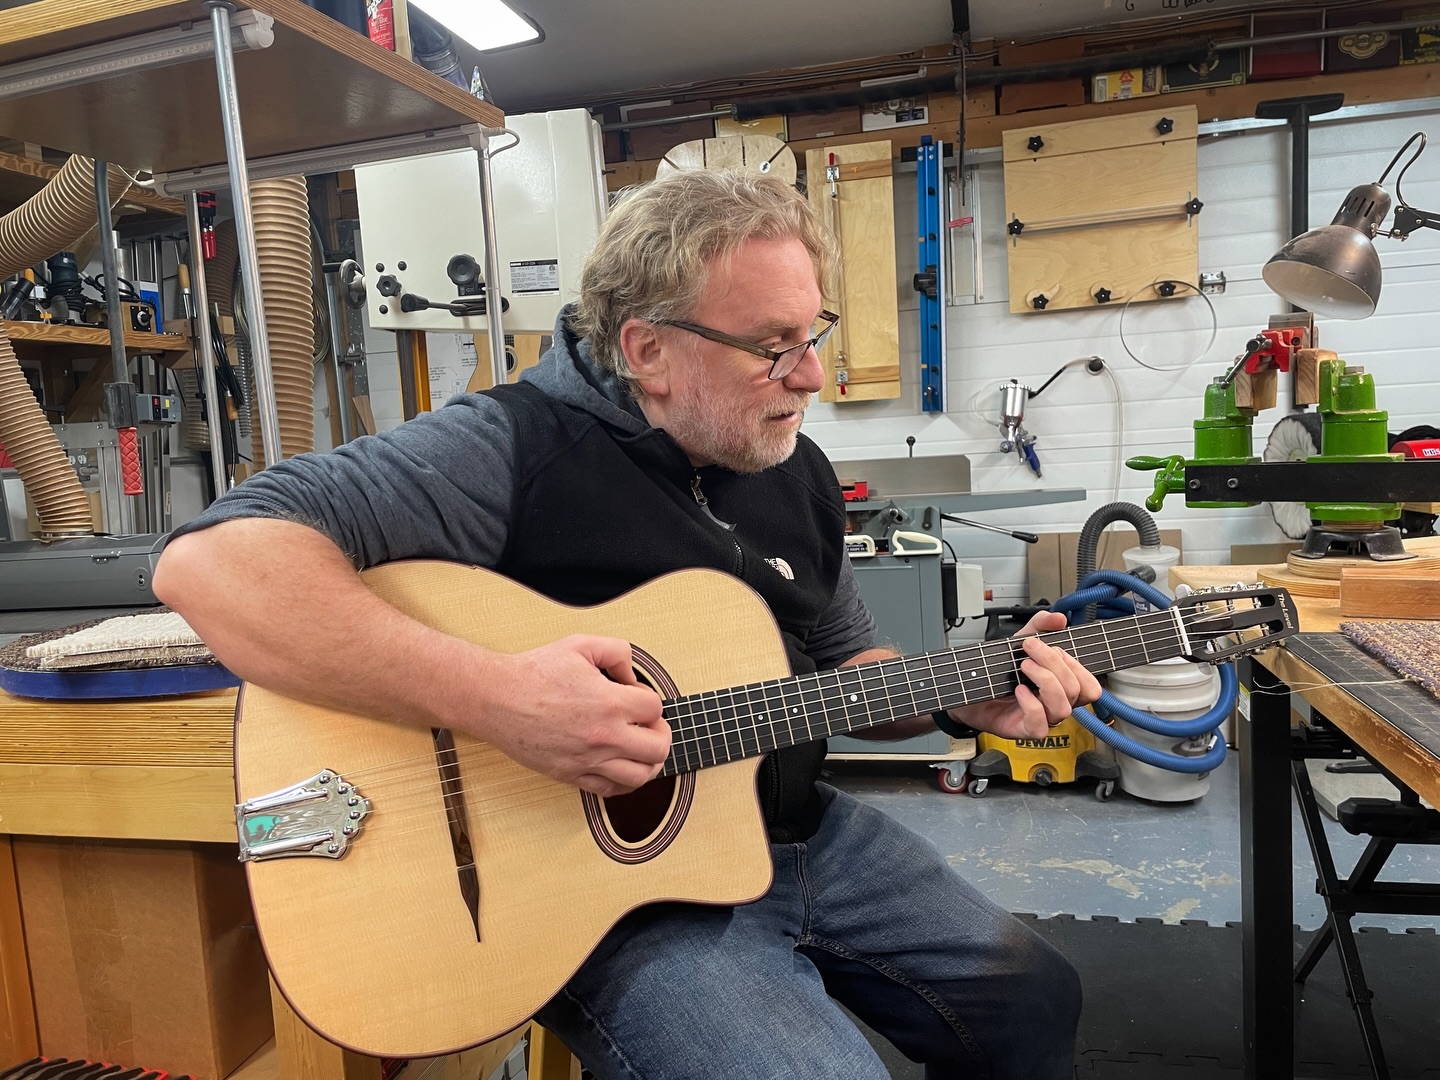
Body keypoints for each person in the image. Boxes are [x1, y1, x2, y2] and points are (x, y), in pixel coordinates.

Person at [155, 169, 1101, 1079]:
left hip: (804, 833)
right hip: (613, 894)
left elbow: (853, 664)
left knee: (1035, 1001)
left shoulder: (793, 470)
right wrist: (502, 700)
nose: (813, 374)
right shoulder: (506, 449)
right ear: (648, 349)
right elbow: (213, 564)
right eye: (775, 344)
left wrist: (960, 698)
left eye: (815, 333)